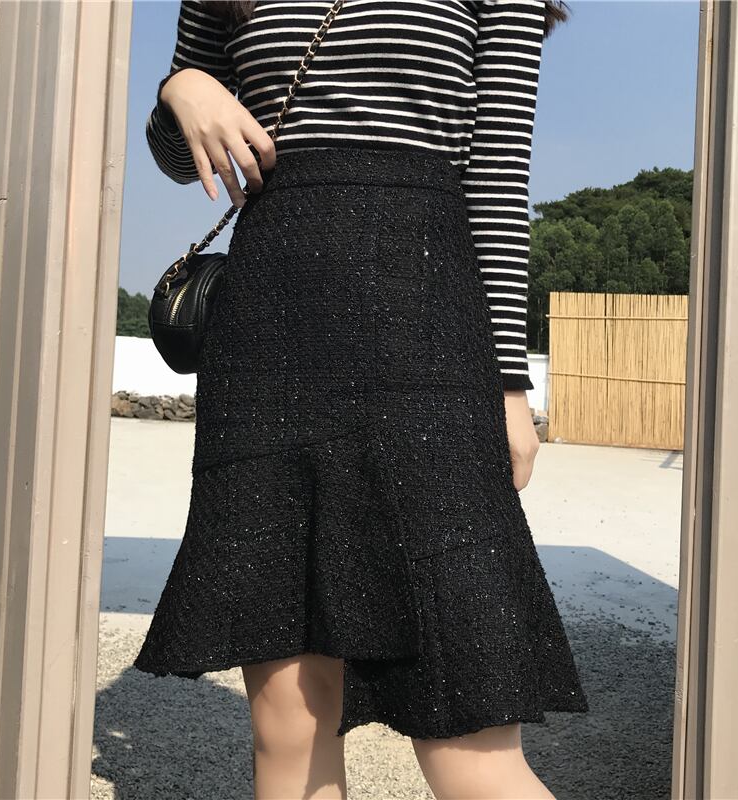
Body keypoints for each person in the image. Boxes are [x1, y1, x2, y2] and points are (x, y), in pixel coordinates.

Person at [133, 1, 589, 798]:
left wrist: (507, 384)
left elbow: (497, 174)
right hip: (271, 334)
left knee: (468, 737)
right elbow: (182, 156)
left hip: (430, 330)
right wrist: (184, 87)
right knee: (287, 722)